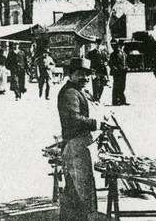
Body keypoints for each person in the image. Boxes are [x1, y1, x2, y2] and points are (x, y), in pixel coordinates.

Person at [58, 57, 112, 221]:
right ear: (71, 74)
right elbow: (74, 118)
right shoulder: (70, 93)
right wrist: (96, 123)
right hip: (75, 145)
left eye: (87, 75)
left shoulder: (81, 90)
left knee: (78, 187)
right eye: (80, 74)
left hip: (83, 144)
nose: (85, 78)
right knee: (79, 187)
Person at [110, 42, 129, 106]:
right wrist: (115, 69)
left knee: (122, 86)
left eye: (122, 45)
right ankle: (115, 101)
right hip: (117, 72)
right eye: (120, 46)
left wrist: (127, 67)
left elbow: (125, 62)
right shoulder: (114, 54)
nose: (121, 47)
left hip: (123, 72)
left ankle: (122, 100)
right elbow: (111, 63)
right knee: (116, 86)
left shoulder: (124, 53)